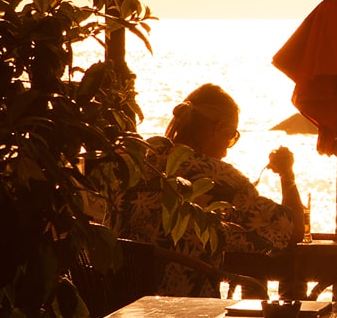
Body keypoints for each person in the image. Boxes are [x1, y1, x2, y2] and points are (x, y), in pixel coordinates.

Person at [123, 84, 306, 288]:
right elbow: (293, 230)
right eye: (231, 137)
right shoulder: (220, 180)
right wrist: (287, 174)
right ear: (220, 129)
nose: (227, 152)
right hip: (186, 310)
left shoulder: (141, 164)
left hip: (123, 306)